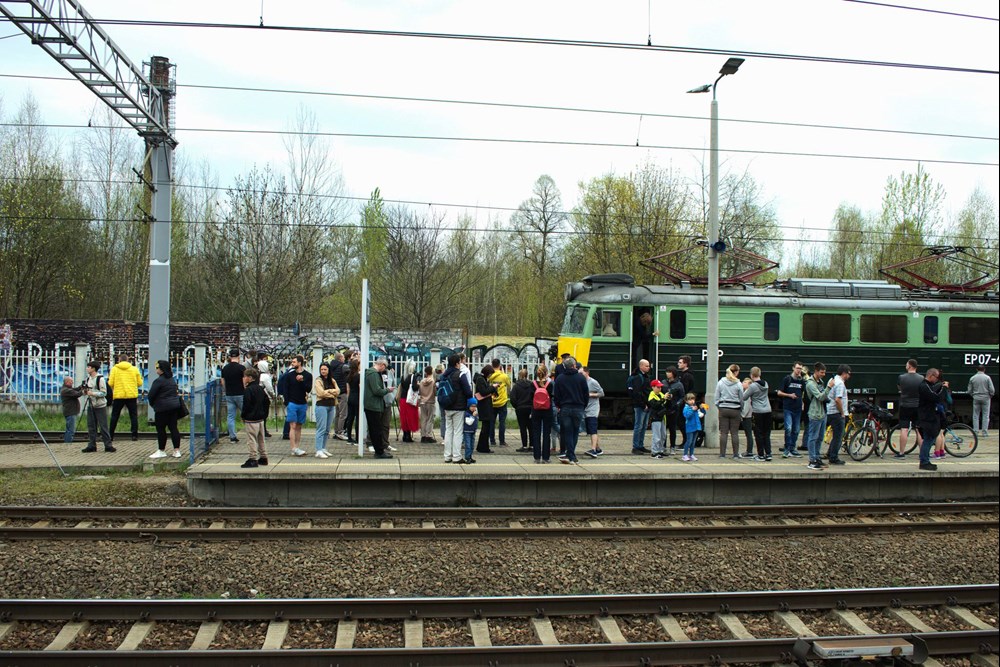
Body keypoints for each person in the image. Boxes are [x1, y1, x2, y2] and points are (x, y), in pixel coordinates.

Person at [553, 356, 588, 464]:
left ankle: (570, 455)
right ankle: (571, 455)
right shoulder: (581, 378)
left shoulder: (560, 378)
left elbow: (556, 395)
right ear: (574, 366)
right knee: (575, 432)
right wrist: (583, 406)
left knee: (567, 431)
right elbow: (585, 394)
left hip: (565, 408)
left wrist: (559, 405)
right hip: (578, 407)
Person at [146, 359, 184, 459]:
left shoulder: (158, 381)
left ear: (162, 369)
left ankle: (161, 450)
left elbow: (151, 395)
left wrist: (153, 405)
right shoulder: (172, 380)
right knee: (173, 428)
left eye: (157, 368)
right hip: (174, 407)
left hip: (162, 409)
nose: (156, 370)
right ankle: (176, 450)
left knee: (161, 429)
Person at [439, 354, 473, 463]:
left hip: (447, 406)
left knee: (449, 431)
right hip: (458, 407)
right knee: (458, 432)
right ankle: (457, 456)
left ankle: (447, 456)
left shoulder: (444, 375)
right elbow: (468, 392)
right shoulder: (460, 375)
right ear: (457, 363)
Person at [804, 362, 835, 470]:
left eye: (824, 372)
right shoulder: (810, 384)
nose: (823, 374)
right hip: (815, 414)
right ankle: (812, 460)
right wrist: (829, 387)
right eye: (821, 372)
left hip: (822, 413)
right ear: (816, 371)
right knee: (813, 437)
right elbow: (820, 397)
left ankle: (817, 458)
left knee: (820, 437)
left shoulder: (819, 381)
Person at [917, 368, 948, 471]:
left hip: (928, 416)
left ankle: (925, 460)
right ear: (931, 375)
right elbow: (936, 397)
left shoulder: (927, 386)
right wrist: (944, 389)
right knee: (928, 439)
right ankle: (924, 461)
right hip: (927, 417)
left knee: (929, 439)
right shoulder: (925, 386)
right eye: (936, 377)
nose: (937, 380)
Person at [107, 353, 143, 442]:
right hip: (131, 395)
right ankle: (134, 435)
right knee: (133, 416)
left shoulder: (115, 369)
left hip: (119, 395)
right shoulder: (134, 369)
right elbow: (140, 383)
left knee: (115, 415)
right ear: (128, 360)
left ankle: (110, 435)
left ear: (119, 360)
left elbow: (110, 383)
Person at [80, 361, 115, 453]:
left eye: (89, 367)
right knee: (91, 426)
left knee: (103, 426)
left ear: (93, 368)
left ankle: (108, 445)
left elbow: (104, 393)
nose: (87, 368)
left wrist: (92, 393)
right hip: (91, 404)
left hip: (100, 405)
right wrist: (85, 391)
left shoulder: (100, 379)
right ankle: (92, 445)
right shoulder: (88, 379)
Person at [240, 366, 271, 468]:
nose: (244, 379)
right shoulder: (260, 388)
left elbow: (246, 405)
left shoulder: (248, 390)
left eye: (245, 377)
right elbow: (266, 401)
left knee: (251, 439)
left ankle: (252, 458)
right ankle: (263, 457)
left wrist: (243, 416)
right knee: (261, 438)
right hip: (260, 418)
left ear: (249, 378)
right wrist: (264, 414)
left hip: (251, 419)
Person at [363, 357, 393, 459]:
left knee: (374, 429)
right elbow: (377, 390)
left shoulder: (370, 373)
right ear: (382, 365)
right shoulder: (374, 374)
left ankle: (379, 450)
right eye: (384, 367)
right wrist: (387, 390)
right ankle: (379, 451)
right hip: (374, 405)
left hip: (371, 405)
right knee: (376, 429)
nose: (384, 370)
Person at [743, 366, 774, 462]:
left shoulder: (752, 386)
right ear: (760, 374)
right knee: (767, 433)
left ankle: (760, 454)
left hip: (758, 411)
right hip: (768, 410)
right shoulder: (766, 384)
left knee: (758, 433)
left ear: (751, 375)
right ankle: (768, 454)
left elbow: (744, 397)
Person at [776, 361, 806, 458]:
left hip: (797, 409)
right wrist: (789, 395)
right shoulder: (787, 379)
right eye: (797, 368)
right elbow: (779, 392)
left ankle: (792, 448)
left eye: (800, 369)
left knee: (796, 430)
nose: (799, 370)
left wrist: (802, 402)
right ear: (793, 368)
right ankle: (787, 448)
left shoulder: (801, 381)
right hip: (788, 408)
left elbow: (803, 392)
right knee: (788, 428)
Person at [895, 359, 923, 459]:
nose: (905, 366)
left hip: (905, 405)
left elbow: (899, 388)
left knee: (904, 429)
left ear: (910, 366)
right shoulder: (921, 378)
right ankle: (922, 453)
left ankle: (902, 453)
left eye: (906, 364)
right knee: (919, 430)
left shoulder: (901, 377)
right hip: (918, 406)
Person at [285, 354, 311, 456]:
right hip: (292, 403)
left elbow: (308, 389)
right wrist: (287, 402)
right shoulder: (289, 375)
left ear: (300, 363)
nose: (292, 363)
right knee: (293, 425)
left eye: (294, 362)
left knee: (299, 426)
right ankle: (293, 448)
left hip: (302, 403)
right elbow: (286, 389)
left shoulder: (308, 375)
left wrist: (301, 381)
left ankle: (297, 446)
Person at [714, 364, 743, 458]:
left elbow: (716, 397)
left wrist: (719, 407)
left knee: (724, 433)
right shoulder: (738, 384)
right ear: (736, 372)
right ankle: (735, 454)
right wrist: (740, 409)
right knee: (734, 433)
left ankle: (722, 454)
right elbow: (742, 399)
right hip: (735, 409)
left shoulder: (721, 382)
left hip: (723, 408)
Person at [824, 364, 851, 465]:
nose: (849, 376)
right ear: (844, 373)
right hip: (837, 413)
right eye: (849, 374)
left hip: (830, 412)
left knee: (836, 435)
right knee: (838, 436)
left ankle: (830, 453)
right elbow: (838, 399)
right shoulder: (840, 384)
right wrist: (843, 413)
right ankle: (833, 457)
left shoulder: (833, 380)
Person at [313, 361, 340, 458]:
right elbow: (320, 393)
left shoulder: (332, 380)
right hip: (321, 406)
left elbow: (338, 391)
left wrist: (329, 391)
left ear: (329, 370)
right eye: (321, 369)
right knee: (321, 428)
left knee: (327, 429)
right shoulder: (318, 380)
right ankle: (318, 449)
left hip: (331, 406)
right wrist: (331, 393)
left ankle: (323, 448)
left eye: (325, 369)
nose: (323, 371)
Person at [626, 359, 652, 454]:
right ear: (641, 366)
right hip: (640, 405)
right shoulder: (638, 377)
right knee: (639, 426)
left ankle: (640, 445)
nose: (648, 367)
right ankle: (636, 446)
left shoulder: (644, 376)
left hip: (645, 405)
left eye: (648, 366)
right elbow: (637, 393)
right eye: (646, 366)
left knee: (644, 426)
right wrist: (643, 404)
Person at [529, 365, 554, 463]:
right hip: (547, 410)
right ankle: (546, 457)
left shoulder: (533, 384)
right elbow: (551, 397)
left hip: (536, 410)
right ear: (546, 373)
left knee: (536, 433)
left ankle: (536, 457)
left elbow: (531, 398)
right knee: (546, 434)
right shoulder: (550, 384)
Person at [220, 349, 246, 443]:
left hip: (229, 394)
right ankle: (251, 434)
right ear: (238, 357)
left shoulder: (225, 368)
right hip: (240, 394)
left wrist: (226, 390)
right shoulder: (241, 368)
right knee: (246, 414)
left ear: (230, 357)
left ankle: (232, 437)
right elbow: (244, 381)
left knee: (231, 416)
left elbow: (222, 381)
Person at [582, 366, 605, 458]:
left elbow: (602, 393)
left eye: (581, 373)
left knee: (592, 429)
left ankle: (593, 450)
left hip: (592, 409)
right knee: (591, 429)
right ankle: (598, 448)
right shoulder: (582, 382)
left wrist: (591, 394)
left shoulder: (593, 382)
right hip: (586, 408)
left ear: (587, 373)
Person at [474, 365, 498, 454]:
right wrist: (493, 387)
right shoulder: (481, 379)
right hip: (484, 406)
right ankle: (483, 447)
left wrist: (493, 389)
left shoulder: (482, 379)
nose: (490, 376)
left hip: (485, 405)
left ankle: (482, 446)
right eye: (490, 374)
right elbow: (483, 392)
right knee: (486, 427)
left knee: (486, 427)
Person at [509, 368, 535, 452]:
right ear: (527, 375)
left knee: (522, 427)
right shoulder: (531, 385)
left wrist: (516, 406)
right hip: (530, 408)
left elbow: (512, 398)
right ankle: (532, 445)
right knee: (531, 427)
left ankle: (524, 446)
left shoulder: (516, 386)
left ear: (519, 375)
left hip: (520, 408)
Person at [490, 358, 511, 448]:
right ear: (500, 365)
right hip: (502, 401)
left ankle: (492, 440)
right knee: (502, 422)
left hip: (492, 401)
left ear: (492, 365)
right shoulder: (504, 376)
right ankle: (502, 441)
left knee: (492, 422)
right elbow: (509, 385)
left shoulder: (489, 376)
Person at [968, 365, 994, 437]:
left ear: (977, 369)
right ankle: (984, 432)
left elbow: (969, 390)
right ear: (984, 370)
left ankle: (975, 432)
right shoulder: (987, 378)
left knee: (975, 415)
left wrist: (973, 395)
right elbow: (992, 389)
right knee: (985, 415)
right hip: (986, 397)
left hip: (976, 397)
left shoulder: (972, 378)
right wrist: (990, 395)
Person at [663, 367, 685, 455]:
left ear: (673, 373)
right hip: (664, 407)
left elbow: (682, 396)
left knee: (672, 429)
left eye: (669, 372)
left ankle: (672, 447)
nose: (667, 373)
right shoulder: (663, 382)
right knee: (663, 429)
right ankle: (663, 446)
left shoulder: (679, 384)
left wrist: (677, 403)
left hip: (673, 408)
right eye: (667, 372)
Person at [397, 360, 420, 443]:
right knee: (410, 417)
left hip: (403, 399)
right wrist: (418, 385)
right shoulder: (413, 377)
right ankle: (408, 436)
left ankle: (405, 435)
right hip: (410, 400)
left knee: (404, 418)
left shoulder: (403, 376)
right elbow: (414, 388)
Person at [647, 379, 670, 460]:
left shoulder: (660, 394)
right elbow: (655, 405)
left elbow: (664, 405)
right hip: (656, 418)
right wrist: (664, 399)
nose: (660, 389)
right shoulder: (651, 395)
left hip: (662, 417)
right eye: (658, 387)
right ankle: (654, 452)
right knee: (657, 436)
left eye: (660, 387)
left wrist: (668, 399)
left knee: (663, 435)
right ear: (653, 387)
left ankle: (660, 450)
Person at [330, 352, 350, 440]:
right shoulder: (343, 366)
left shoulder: (331, 367)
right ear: (340, 358)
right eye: (343, 357)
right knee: (343, 413)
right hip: (342, 392)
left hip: (335, 392)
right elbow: (351, 370)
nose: (344, 359)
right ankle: (340, 431)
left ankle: (336, 431)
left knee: (337, 413)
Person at [681, 393, 705, 462]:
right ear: (686, 401)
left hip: (696, 426)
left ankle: (691, 454)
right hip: (690, 427)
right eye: (690, 399)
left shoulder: (695, 407)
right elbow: (687, 415)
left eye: (693, 399)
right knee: (689, 441)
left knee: (693, 442)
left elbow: (702, 414)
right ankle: (685, 455)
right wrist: (692, 410)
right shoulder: (686, 408)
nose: (692, 401)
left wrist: (702, 408)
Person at [59, 377, 84, 443]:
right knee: (70, 430)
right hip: (70, 412)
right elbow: (76, 394)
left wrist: (81, 387)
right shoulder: (66, 390)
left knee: (69, 429)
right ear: (66, 382)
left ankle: (67, 442)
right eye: (71, 381)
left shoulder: (66, 389)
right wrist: (84, 391)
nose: (72, 382)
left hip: (70, 412)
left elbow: (75, 389)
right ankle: (68, 443)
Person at [417, 366, 438, 443]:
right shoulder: (433, 382)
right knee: (430, 419)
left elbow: (419, 391)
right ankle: (428, 435)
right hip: (430, 401)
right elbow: (435, 392)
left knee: (423, 419)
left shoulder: (422, 381)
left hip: (422, 401)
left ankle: (423, 435)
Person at [256, 359, 276, 438]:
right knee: (264, 414)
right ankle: (263, 430)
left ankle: (260, 430)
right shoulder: (265, 377)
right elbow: (269, 388)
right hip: (265, 397)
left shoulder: (257, 375)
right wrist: (273, 395)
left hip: (257, 397)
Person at [344, 358, 361, 443]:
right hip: (357, 398)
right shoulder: (358, 376)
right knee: (358, 418)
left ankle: (349, 437)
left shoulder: (349, 376)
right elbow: (360, 387)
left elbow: (348, 389)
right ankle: (358, 437)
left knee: (350, 418)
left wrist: (348, 398)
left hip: (350, 398)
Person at [739, 377, 754, 459]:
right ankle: (749, 450)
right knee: (748, 434)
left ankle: (749, 451)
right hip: (747, 416)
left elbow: (747, 406)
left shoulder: (747, 394)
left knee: (748, 434)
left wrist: (742, 415)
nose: (742, 383)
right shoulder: (746, 392)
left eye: (745, 382)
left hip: (747, 417)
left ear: (749, 385)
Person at [461, 398, 479, 464]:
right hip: (467, 431)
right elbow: (469, 422)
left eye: (475, 406)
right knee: (468, 445)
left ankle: (470, 456)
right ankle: (467, 457)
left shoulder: (474, 413)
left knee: (472, 445)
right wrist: (473, 416)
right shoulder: (467, 414)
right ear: (468, 406)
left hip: (473, 431)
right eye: (472, 406)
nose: (473, 408)